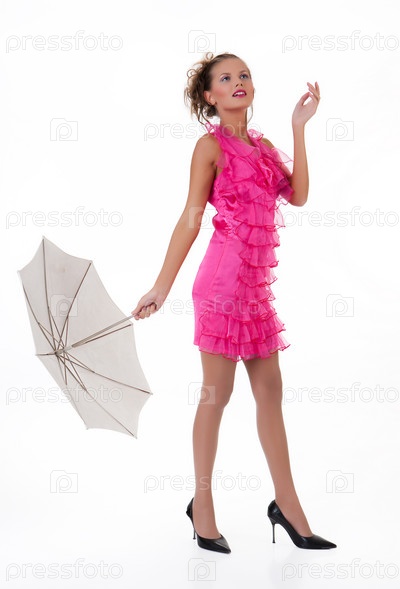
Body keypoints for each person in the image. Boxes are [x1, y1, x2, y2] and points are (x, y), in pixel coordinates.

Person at [131, 52, 336, 553]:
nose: (238, 81)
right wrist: (161, 286)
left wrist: (299, 128)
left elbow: (299, 196)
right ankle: (202, 506)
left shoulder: (262, 148)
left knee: (270, 394)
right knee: (216, 396)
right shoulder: (209, 147)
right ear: (210, 96)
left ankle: (288, 505)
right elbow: (191, 217)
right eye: (225, 78)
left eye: (244, 74)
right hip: (222, 287)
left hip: (256, 291)